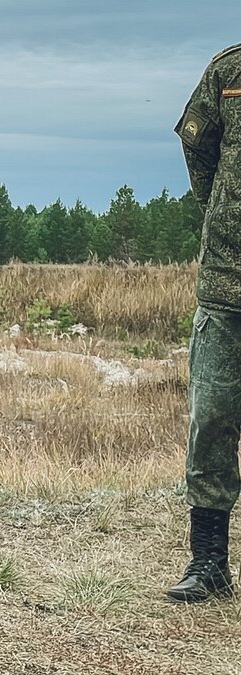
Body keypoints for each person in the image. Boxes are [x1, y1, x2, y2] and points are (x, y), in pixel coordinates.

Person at [167, 42, 241, 603]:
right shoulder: (228, 70)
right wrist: (221, 209)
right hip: (226, 282)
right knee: (211, 415)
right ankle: (209, 563)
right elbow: (198, 146)